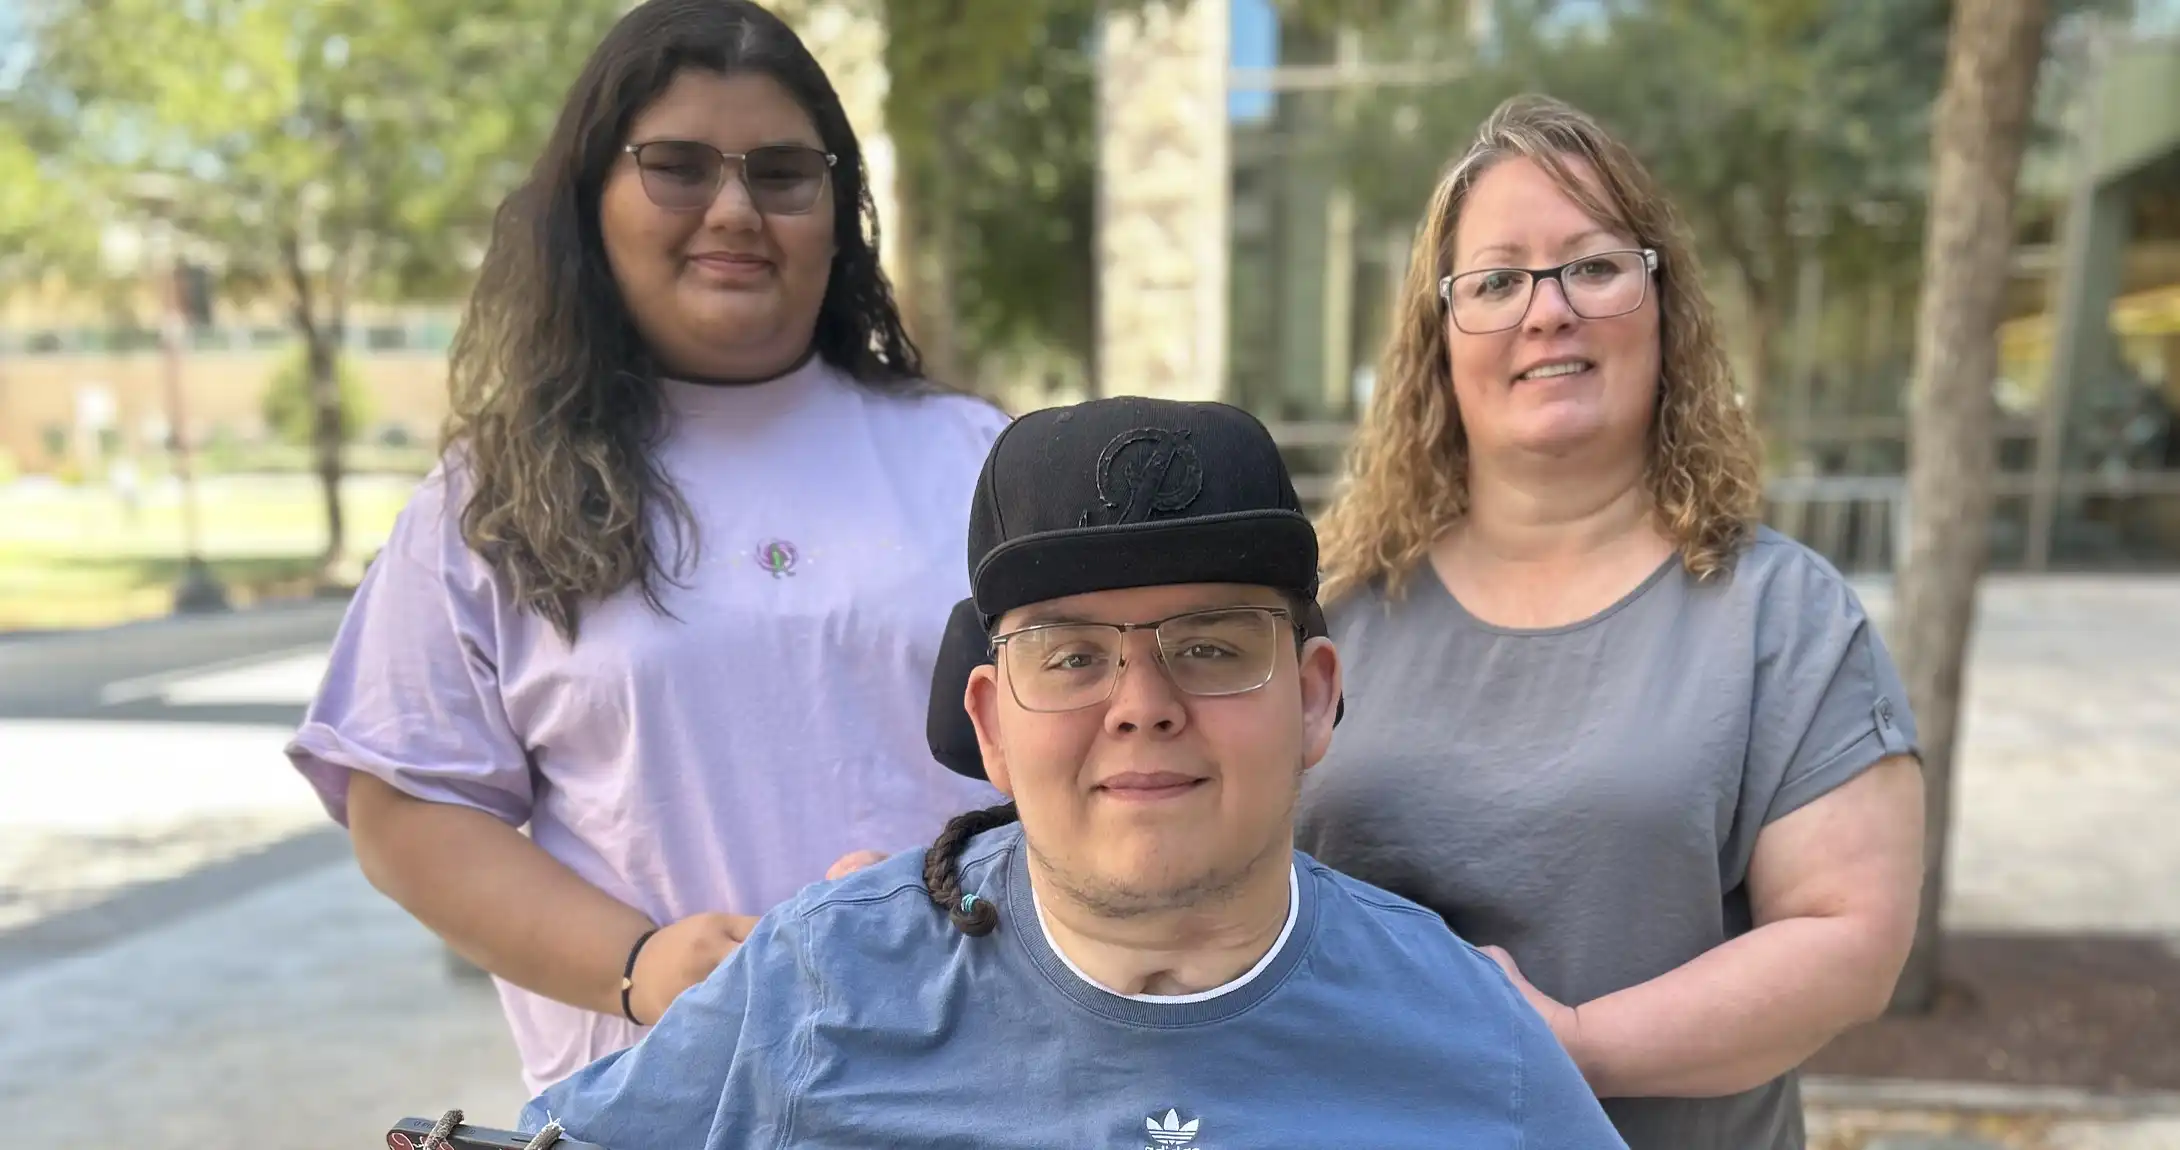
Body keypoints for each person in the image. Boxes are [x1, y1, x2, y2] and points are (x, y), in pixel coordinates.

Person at [518, 397, 1628, 1149]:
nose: (1142, 704)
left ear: (1310, 695)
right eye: (1073, 656)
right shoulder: (817, 990)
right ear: (991, 725)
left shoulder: (1472, 1043)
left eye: (1210, 646)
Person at [284, 0, 1004, 1097]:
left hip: (970, 1082)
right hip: (657, 1098)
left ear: (835, 209)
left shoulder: (973, 457)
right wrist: (637, 965)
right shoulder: (492, 499)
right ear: (591, 203)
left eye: (780, 173)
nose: (734, 209)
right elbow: (408, 809)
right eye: (675, 166)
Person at [1291, 94, 1927, 1150]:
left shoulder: (1779, 615)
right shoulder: (1330, 603)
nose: (1547, 312)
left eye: (1590, 266)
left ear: (1660, 302)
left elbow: (1848, 940)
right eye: (1495, 280)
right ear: (1436, 338)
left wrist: (1566, 1043)